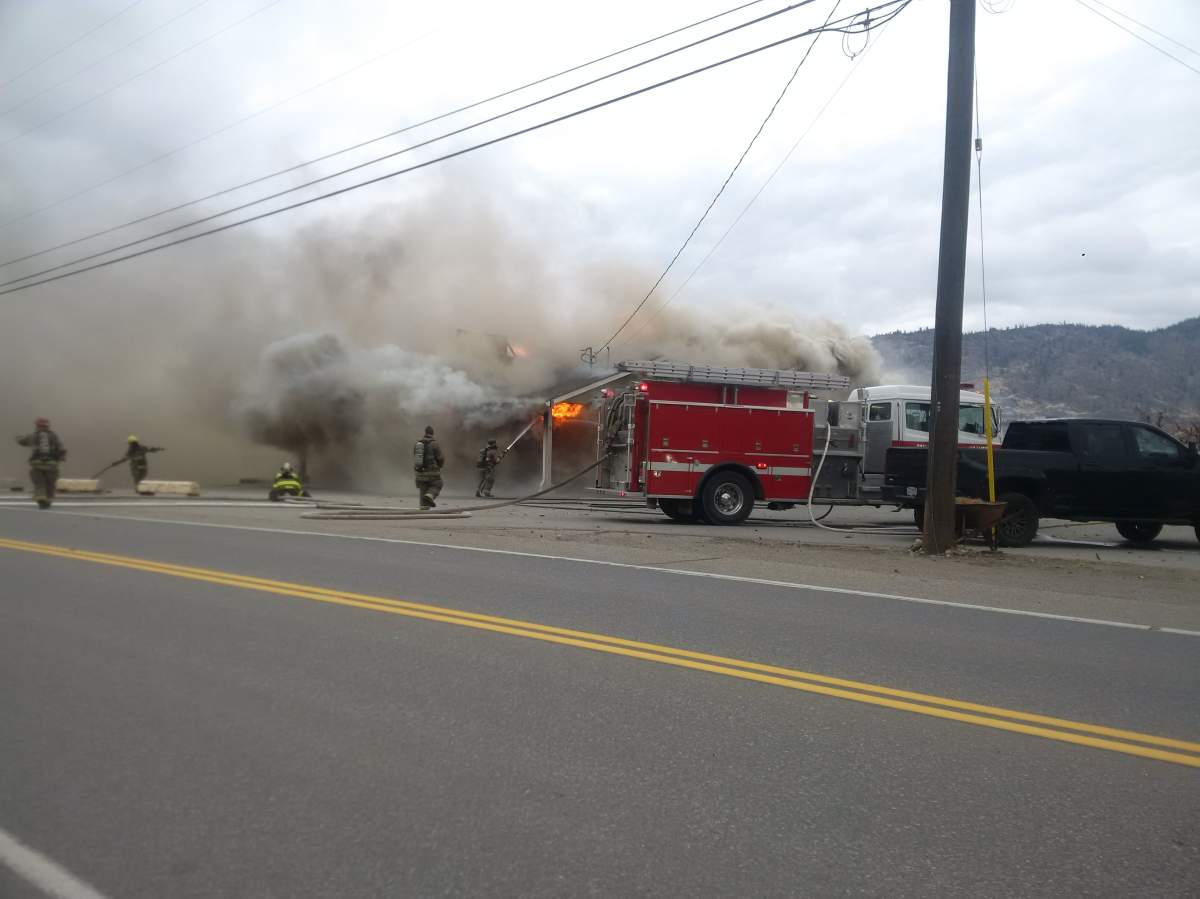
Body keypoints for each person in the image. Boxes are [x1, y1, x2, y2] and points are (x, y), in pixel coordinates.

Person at [15, 417, 66, 509]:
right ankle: (48, 499)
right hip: (52, 464)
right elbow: (61, 448)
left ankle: (41, 497)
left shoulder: (33, 435)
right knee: (50, 483)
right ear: (47, 426)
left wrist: (17, 437)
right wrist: (61, 457)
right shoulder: (54, 436)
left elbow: (22, 441)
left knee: (39, 482)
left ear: (37, 425)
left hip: (36, 463)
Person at [413, 425, 445, 510]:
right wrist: (440, 466)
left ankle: (423, 506)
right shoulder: (434, 444)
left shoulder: (418, 443)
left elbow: (415, 456)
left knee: (423, 492)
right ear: (432, 433)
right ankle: (430, 495)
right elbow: (440, 458)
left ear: (425, 433)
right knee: (438, 484)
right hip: (432, 473)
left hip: (420, 473)